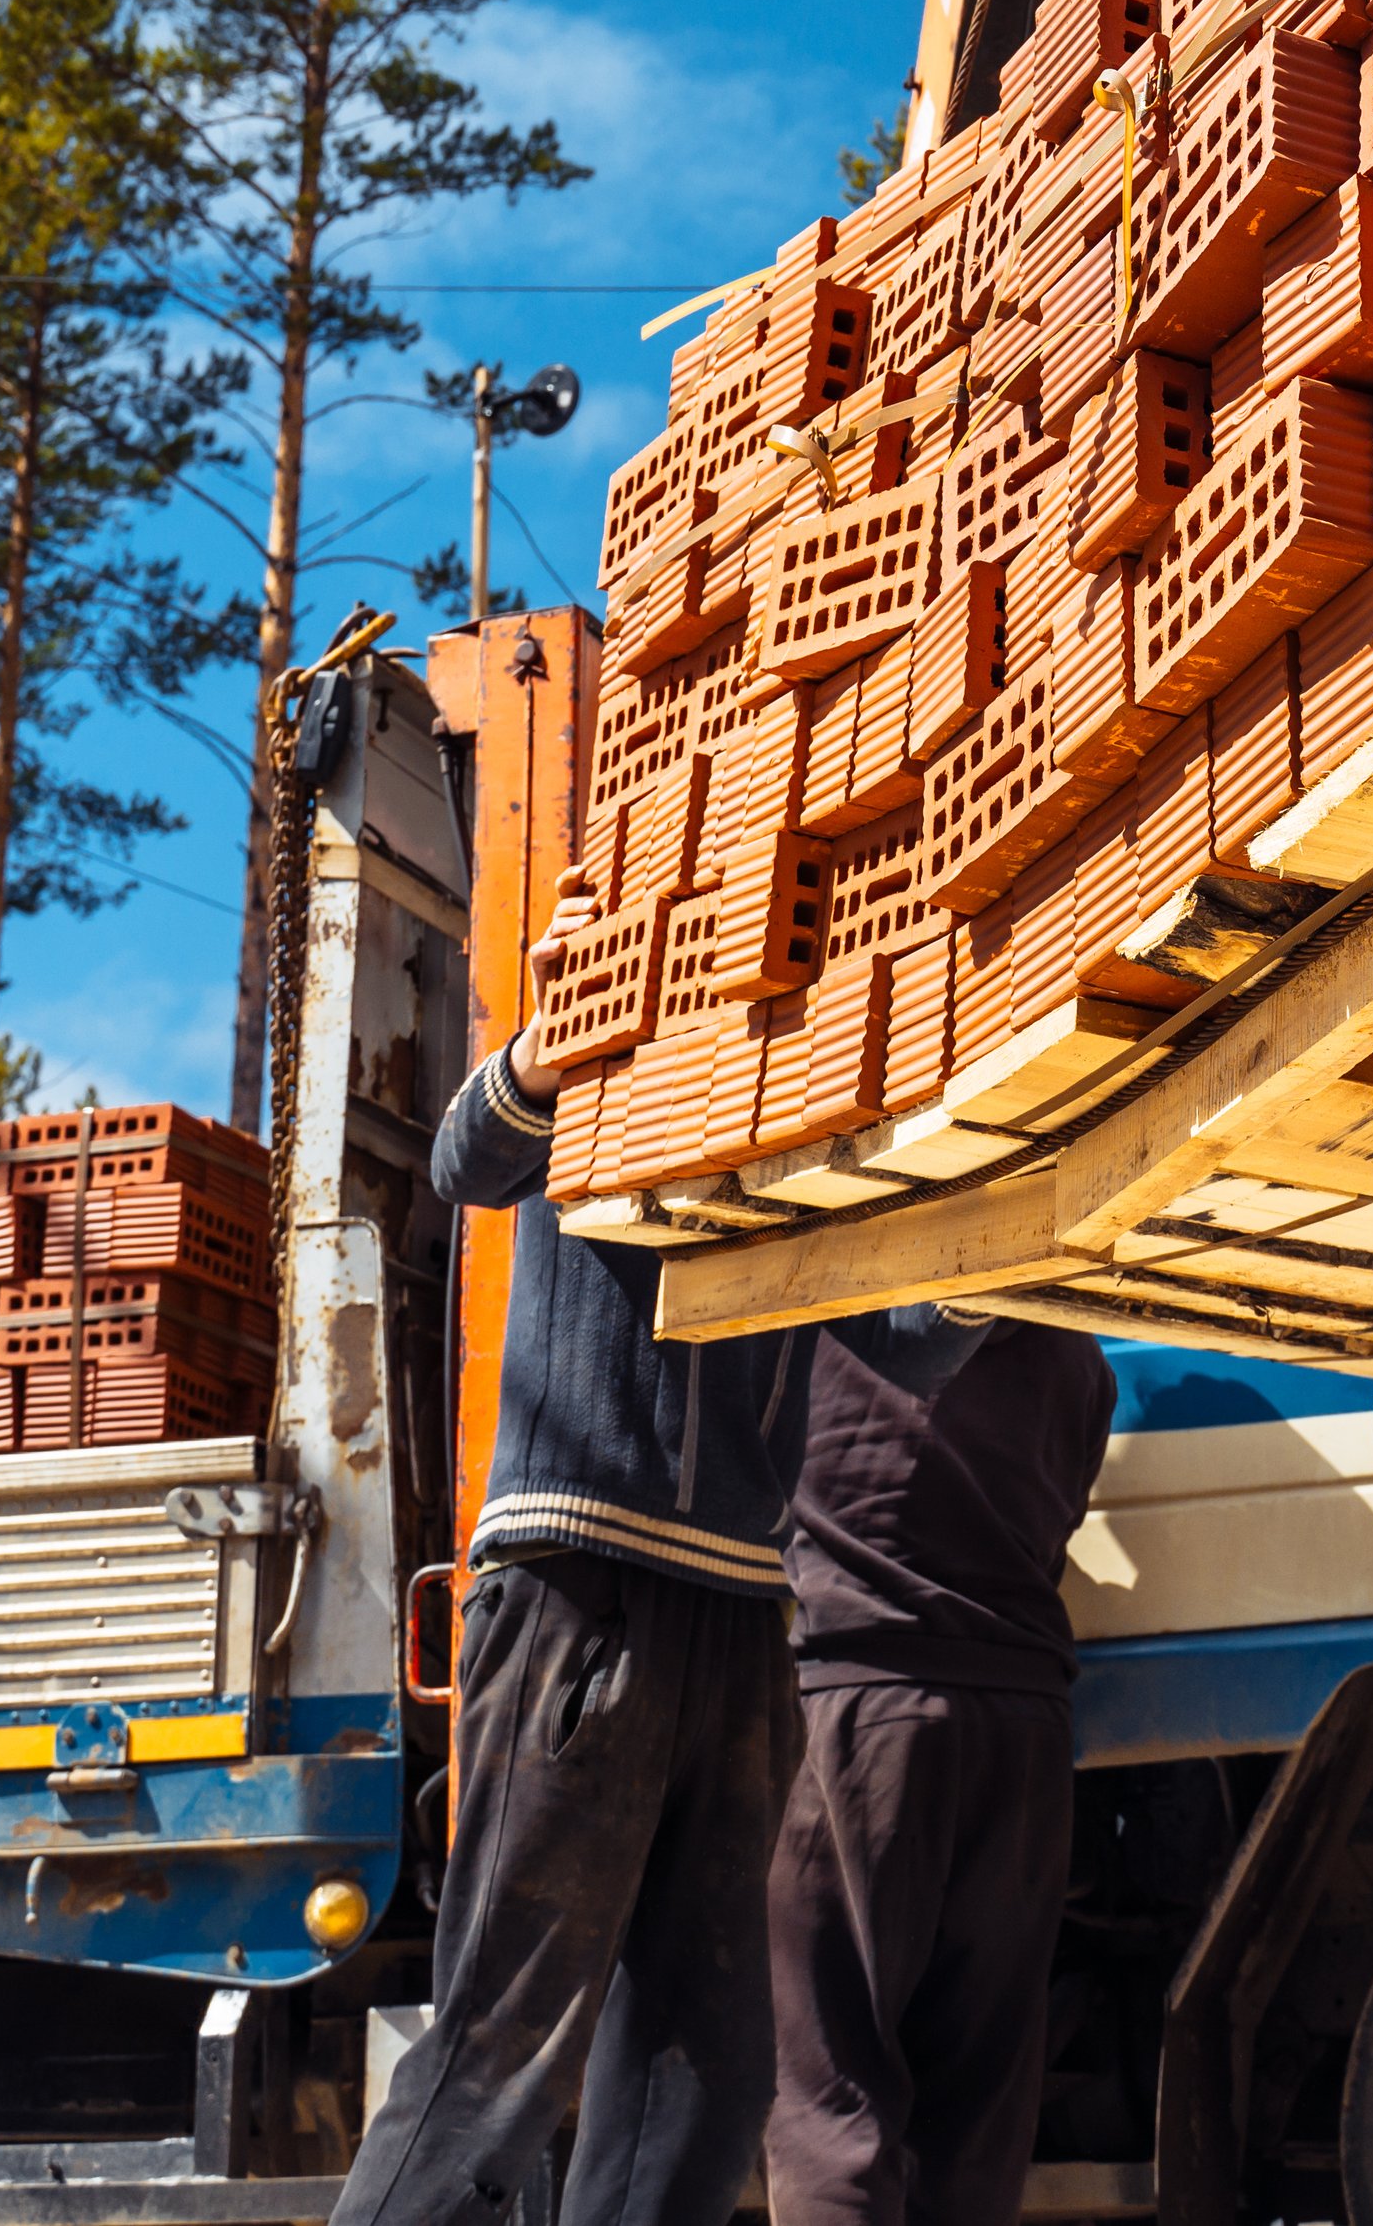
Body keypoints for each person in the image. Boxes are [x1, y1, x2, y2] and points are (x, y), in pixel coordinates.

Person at [334, 931, 982, 2226]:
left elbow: (908, 1351)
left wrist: (1004, 1219)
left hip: (744, 1620)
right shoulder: (618, 1045)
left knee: (708, 2069)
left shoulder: (816, 1128)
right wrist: (548, 1039)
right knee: (501, 2052)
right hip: (584, 1587)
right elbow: (469, 1158)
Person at [763, 1316, 1117, 2226]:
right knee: (977, 2121)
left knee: (829, 2099)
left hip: (858, 1707)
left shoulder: (827, 1314)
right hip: (1023, 1728)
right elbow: (1066, 1509)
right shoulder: (1076, 1351)